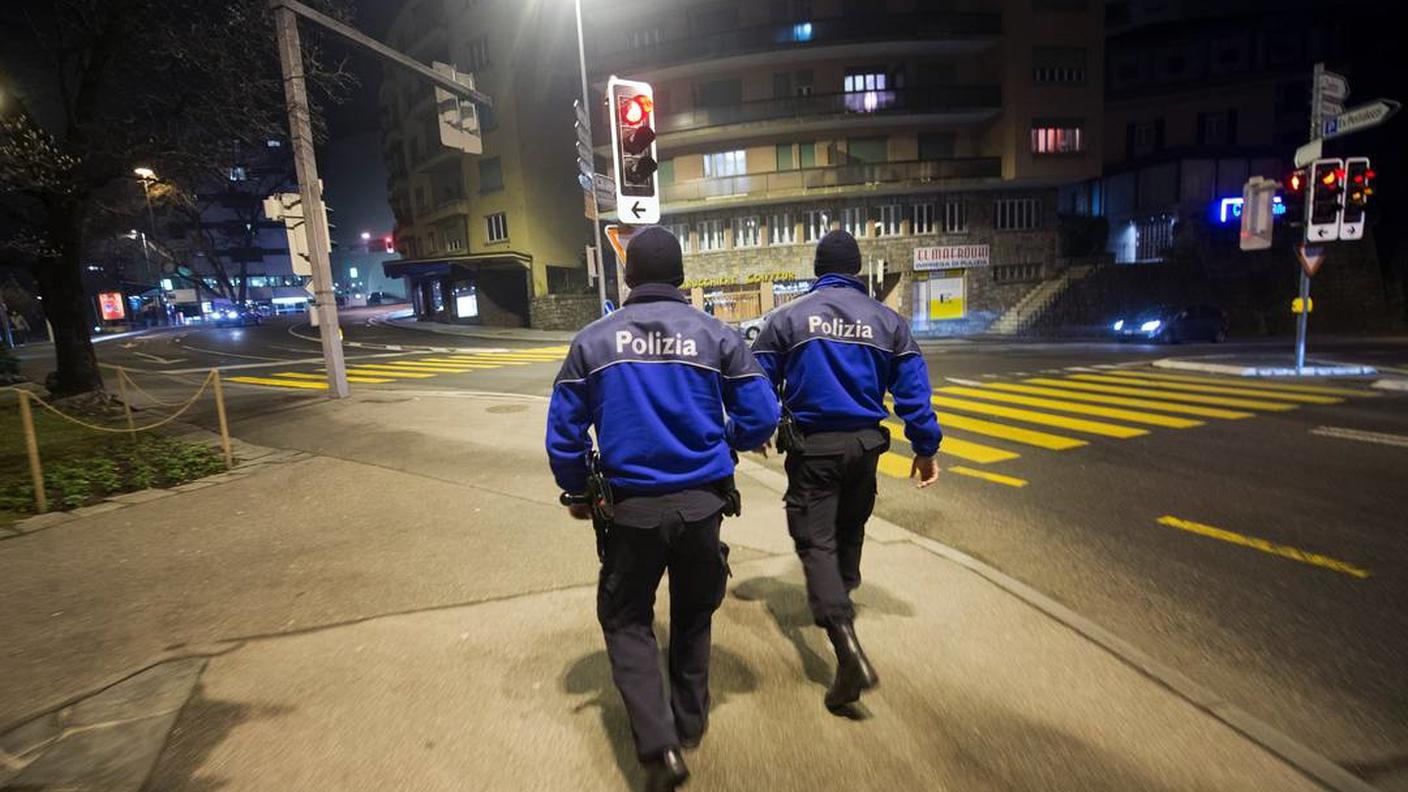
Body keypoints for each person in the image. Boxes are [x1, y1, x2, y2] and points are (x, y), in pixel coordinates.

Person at [546, 226, 778, 791]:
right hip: (703, 507)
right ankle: (691, 723)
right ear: (680, 277)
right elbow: (762, 416)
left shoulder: (594, 341)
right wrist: (723, 436)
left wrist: (578, 491)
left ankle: (659, 746)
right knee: (695, 612)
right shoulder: (718, 336)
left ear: (627, 277)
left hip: (631, 512)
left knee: (626, 618)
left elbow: (563, 432)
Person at [749, 229, 942, 713]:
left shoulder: (787, 318)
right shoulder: (889, 322)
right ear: (856, 271)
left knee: (815, 542)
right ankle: (843, 595)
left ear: (818, 269)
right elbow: (914, 391)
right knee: (850, 528)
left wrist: (760, 424)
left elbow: (756, 381)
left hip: (814, 450)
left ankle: (845, 644)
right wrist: (925, 447)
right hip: (864, 447)